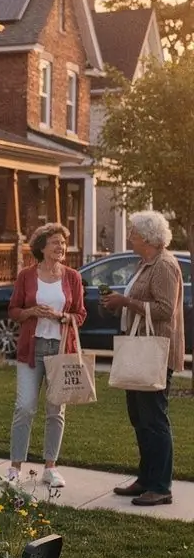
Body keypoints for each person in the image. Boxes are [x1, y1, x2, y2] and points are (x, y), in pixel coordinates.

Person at [102, 210, 184, 506]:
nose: (130, 237)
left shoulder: (164, 265)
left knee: (154, 420)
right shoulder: (146, 264)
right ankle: (146, 479)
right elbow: (144, 304)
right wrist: (118, 304)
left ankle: (161, 486)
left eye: (134, 233)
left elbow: (164, 310)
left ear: (148, 237)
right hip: (140, 352)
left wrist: (126, 301)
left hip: (156, 353)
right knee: (140, 419)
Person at [7, 223, 86, 489]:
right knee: (25, 407)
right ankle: (15, 467)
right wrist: (31, 312)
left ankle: (50, 467)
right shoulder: (26, 276)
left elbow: (80, 314)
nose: (61, 247)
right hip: (32, 349)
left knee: (56, 411)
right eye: (55, 242)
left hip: (61, 350)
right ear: (41, 247)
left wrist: (61, 316)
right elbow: (14, 310)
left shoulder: (72, 277)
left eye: (63, 243)